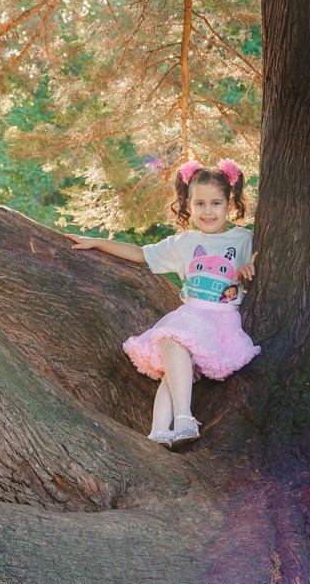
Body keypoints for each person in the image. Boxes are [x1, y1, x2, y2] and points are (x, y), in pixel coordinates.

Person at [71, 159, 259, 447]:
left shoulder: (244, 238)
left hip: (220, 320)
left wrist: (247, 272)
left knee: (171, 342)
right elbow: (140, 253)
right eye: (199, 204)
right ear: (188, 204)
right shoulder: (184, 243)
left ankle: (184, 419)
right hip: (191, 314)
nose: (207, 211)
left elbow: (255, 267)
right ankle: (159, 432)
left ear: (230, 203)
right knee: (173, 368)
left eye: (215, 203)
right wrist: (97, 242)